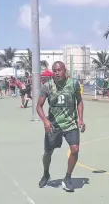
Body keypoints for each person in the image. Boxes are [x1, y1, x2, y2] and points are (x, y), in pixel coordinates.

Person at [36, 61, 86, 192]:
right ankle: (46, 173)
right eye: (54, 70)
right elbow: (38, 107)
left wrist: (81, 119)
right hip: (53, 124)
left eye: (59, 70)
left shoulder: (74, 83)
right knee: (48, 152)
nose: (57, 73)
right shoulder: (47, 86)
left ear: (65, 70)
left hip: (70, 123)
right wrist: (45, 121)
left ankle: (67, 178)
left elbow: (79, 101)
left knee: (75, 149)